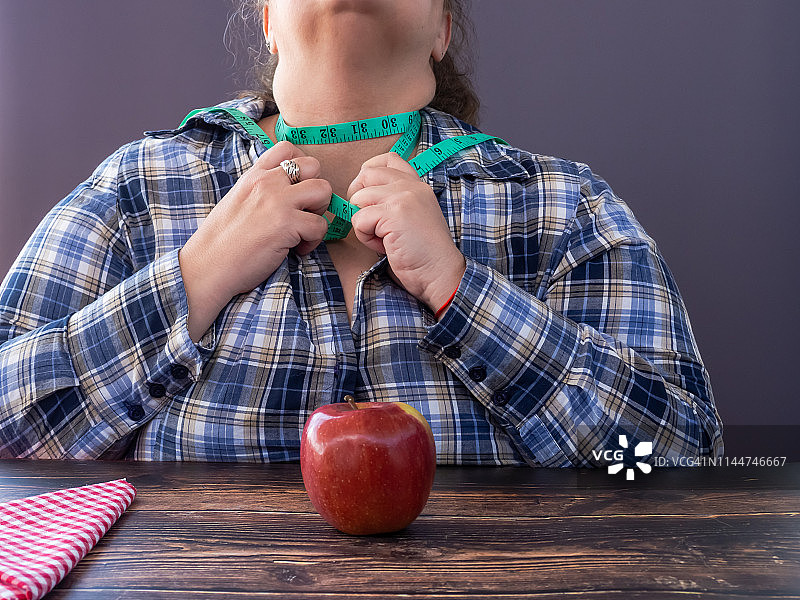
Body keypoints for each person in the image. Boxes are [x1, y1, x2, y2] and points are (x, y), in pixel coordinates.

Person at [0, 0, 722, 465]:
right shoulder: (138, 189)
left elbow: (678, 464)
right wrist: (195, 277)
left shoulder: (564, 209)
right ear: (268, 22)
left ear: (442, 27)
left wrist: (462, 293)